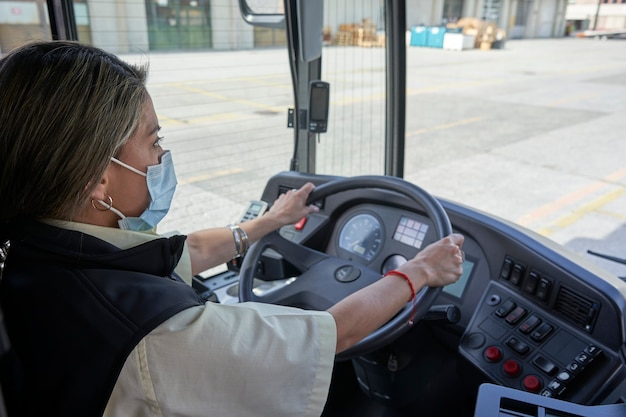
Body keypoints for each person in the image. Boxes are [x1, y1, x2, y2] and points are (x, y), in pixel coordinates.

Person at [0, 41, 464, 417]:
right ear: (99, 179)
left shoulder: (40, 252)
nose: (163, 157)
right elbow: (334, 333)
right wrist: (421, 271)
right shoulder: (160, 338)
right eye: (154, 140)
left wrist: (270, 222)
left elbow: (185, 252)